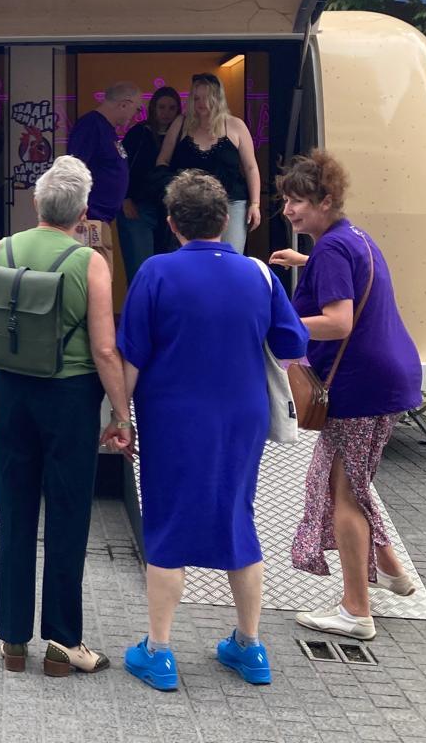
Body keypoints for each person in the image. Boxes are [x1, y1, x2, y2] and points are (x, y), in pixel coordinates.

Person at [115, 172, 309, 691]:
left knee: (169, 522)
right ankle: (249, 646)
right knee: (236, 517)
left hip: (173, 416)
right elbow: (291, 345)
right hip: (242, 416)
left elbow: (131, 355)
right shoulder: (257, 276)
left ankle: (157, 651)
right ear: (225, 220)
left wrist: (118, 418)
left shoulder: (155, 273)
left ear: (172, 223)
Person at [0, 155, 133, 677]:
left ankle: (12, 641)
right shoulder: (90, 262)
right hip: (70, 397)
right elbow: (106, 350)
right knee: (67, 517)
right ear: (83, 211)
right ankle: (63, 646)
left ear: (37, 203)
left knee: (15, 514)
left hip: (13, 392)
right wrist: (121, 414)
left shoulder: (3, 249)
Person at [271, 150, 422, 642]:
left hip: (362, 387)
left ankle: (357, 610)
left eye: (298, 201)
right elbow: (348, 278)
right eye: (286, 201)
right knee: (348, 481)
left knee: (344, 493)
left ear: (326, 200)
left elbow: (339, 321)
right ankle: (394, 572)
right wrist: (305, 261)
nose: (289, 210)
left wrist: (276, 325)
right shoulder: (350, 238)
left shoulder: (333, 250)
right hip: (387, 379)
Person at [157, 73, 261, 253]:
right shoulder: (181, 124)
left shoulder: (235, 125)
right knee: (192, 259)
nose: (201, 103)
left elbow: (251, 167)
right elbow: (162, 161)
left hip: (231, 202)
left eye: (207, 97)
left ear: (217, 98)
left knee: (230, 256)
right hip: (189, 203)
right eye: (196, 98)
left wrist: (255, 204)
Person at [65, 82, 142, 275]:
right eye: (136, 108)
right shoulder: (91, 126)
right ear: (124, 104)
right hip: (89, 220)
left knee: (99, 276)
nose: (136, 115)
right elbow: (74, 170)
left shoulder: (107, 129)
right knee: (94, 278)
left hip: (100, 220)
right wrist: (79, 215)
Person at [117, 86, 181, 276]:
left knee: (171, 272)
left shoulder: (183, 136)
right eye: (161, 107)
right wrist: (125, 198)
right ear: (153, 108)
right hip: (139, 207)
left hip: (172, 210)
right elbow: (123, 167)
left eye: (171, 108)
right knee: (140, 270)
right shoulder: (139, 133)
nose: (166, 113)